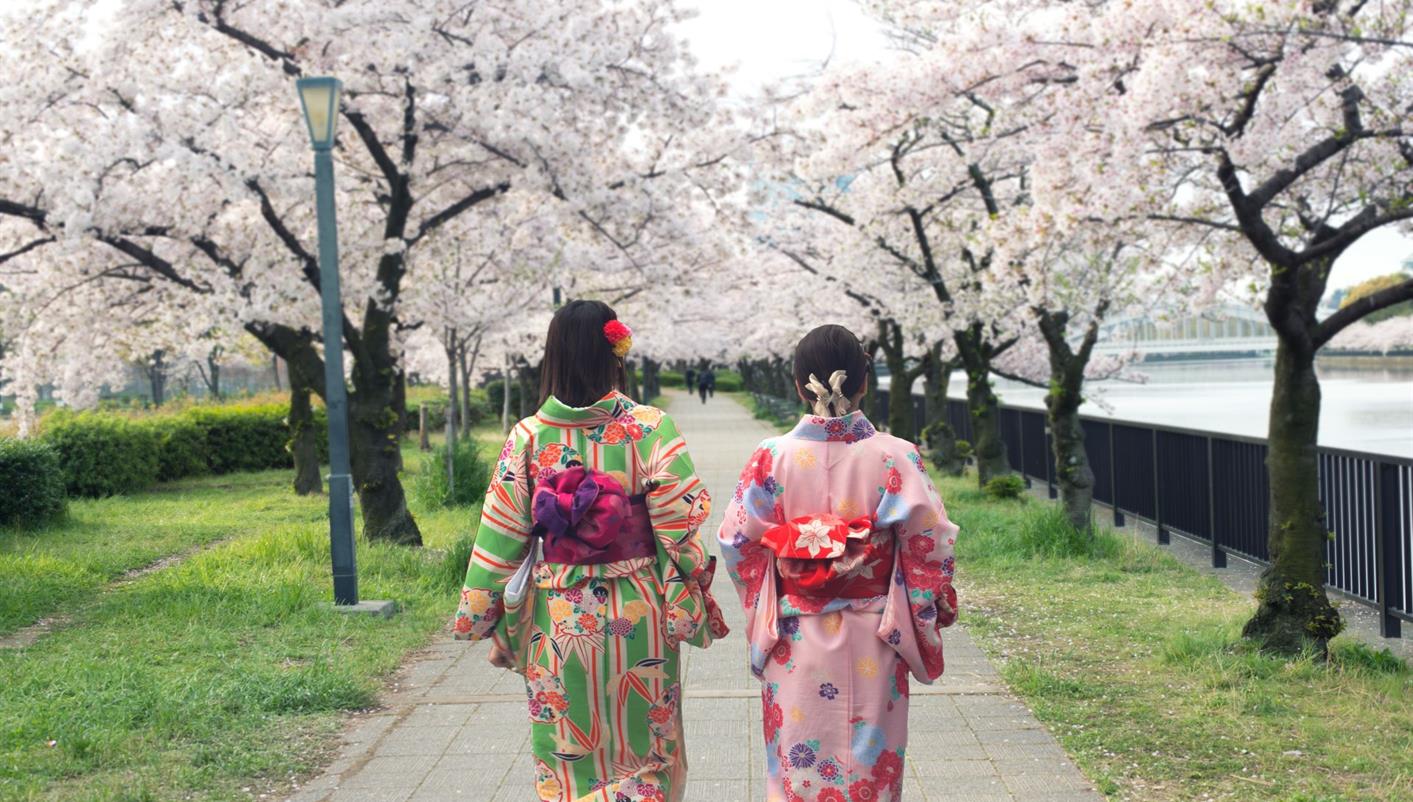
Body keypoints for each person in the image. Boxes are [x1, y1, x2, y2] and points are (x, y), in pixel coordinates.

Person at [454, 300, 728, 802]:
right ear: (614, 353)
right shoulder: (651, 428)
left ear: (552, 356)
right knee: (649, 752)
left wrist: (482, 615)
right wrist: (692, 586)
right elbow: (682, 525)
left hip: (558, 617)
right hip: (639, 610)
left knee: (566, 755)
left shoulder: (530, 437)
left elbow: (500, 537)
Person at [717, 324, 959, 802]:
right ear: (865, 381)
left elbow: (736, 540)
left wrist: (787, 566)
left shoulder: (771, 457)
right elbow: (930, 544)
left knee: (797, 763)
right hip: (876, 632)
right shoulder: (897, 456)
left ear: (795, 383)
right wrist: (927, 608)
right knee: (871, 764)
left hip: (794, 633)